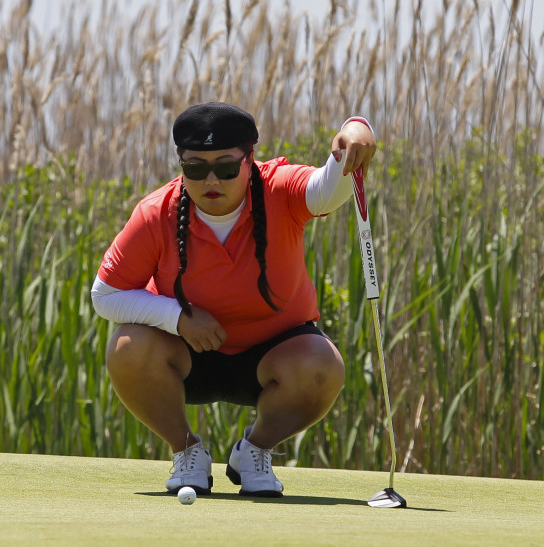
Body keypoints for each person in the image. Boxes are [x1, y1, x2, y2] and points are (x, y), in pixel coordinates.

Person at [91, 102, 376, 497]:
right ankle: (187, 452)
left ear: (250, 158)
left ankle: (254, 452)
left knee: (322, 365)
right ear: (180, 164)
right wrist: (178, 319)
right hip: (186, 354)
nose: (211, 180)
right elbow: (105, 295)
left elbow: (328, 190)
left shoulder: (279, 186)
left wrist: (355, 130)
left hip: (275, 356)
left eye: (226, 167)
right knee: (127, 347)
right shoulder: (156, 212)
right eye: (195, 168)